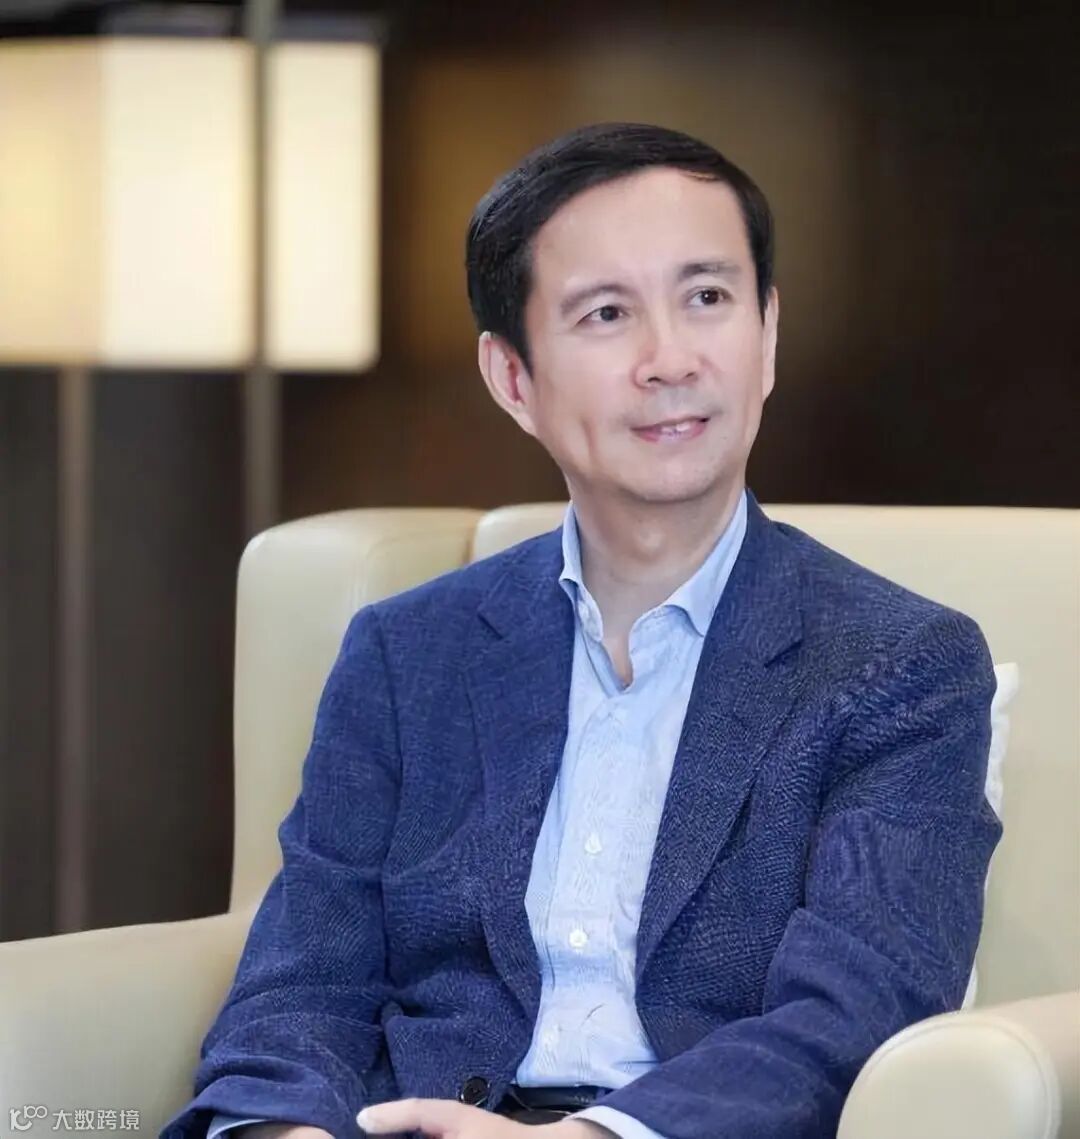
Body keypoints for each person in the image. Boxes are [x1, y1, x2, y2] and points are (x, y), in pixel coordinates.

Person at [163, 123, 1001, 1139]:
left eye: (708, 297)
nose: (670, 359)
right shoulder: (406, 654)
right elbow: (299, 987)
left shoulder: (902, 665)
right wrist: (286, 1130)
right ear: (513, 378)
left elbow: (855, 1013)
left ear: (768, 334)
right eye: (607, 314)